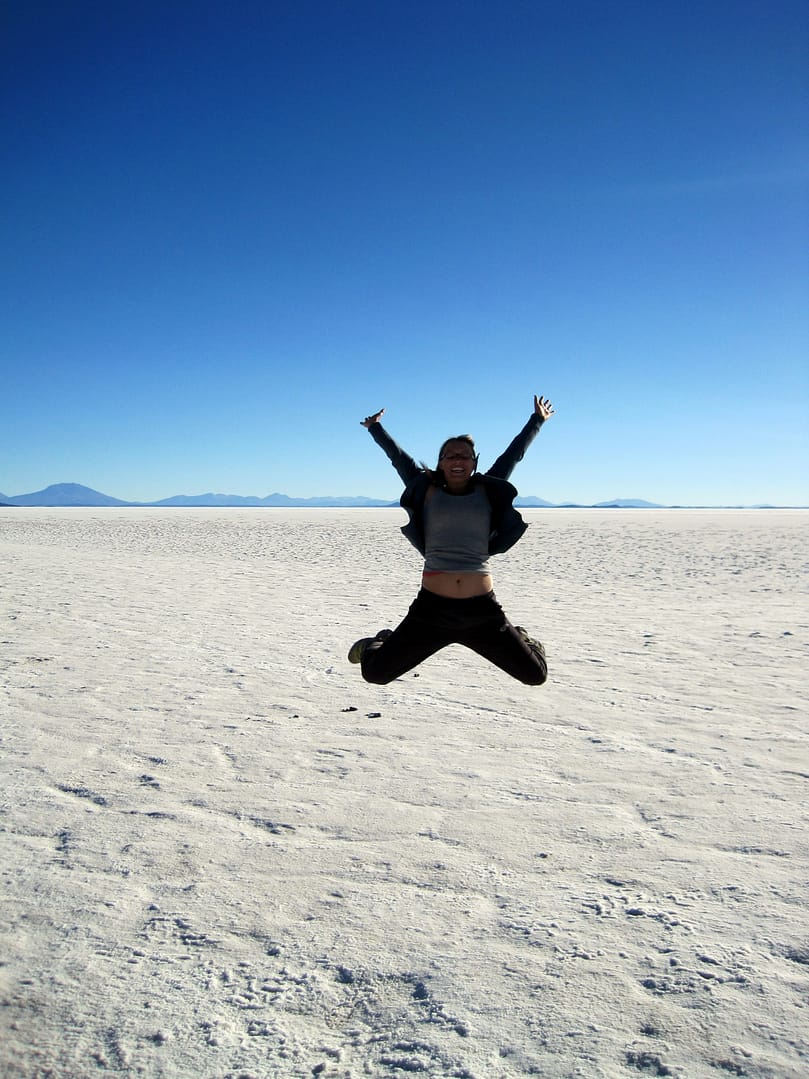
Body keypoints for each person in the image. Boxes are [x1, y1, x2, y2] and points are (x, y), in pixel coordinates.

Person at [348, 395, 555, 686]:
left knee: (536, 676)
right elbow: (398, 459)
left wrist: (537, 420)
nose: (458, 459)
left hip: (482, 612)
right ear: (441, 463)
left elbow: (513, 454)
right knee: (375, 674)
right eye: (451, 455)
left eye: (464, 455)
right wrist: (375, 428)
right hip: (431, 611)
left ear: (474, 463)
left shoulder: (487, 489)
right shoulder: (426, 488)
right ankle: (380, 641)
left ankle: (523, 638)